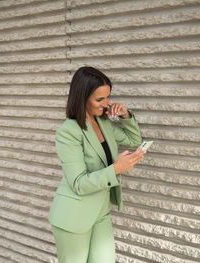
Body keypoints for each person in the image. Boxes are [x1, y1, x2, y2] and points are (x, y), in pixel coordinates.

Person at [48, 66, 145, 263]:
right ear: (82, 98)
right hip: (73, 217)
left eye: (108, 97)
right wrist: (116, 169)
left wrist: (125, 116)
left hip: (101, 212)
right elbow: (78, 183)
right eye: (99, 100)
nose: (106, 104)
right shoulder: (68, 131)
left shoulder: (104, 123)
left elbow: (134, 139)